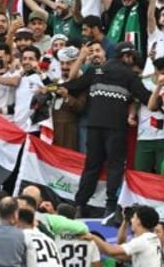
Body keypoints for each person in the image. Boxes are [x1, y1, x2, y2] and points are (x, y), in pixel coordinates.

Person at [62, 41, 151, 218]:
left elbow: (72, 85)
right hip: (116, 128)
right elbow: (147, 98)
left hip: (94, 126)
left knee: (91, 166)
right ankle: (110, 207)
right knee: (115, 166)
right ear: (127, 57)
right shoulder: (129, 75)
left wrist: (53, 87)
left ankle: (79, 205)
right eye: (131, 57)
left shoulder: (97, 71)